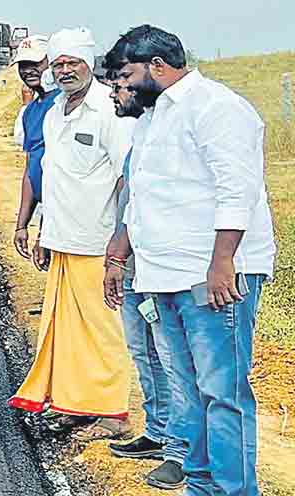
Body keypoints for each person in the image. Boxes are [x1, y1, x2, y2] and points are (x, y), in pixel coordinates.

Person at [113, 25, 274, 496]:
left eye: (127, 75)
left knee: (222, 392)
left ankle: (234, 490)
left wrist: (223, 259)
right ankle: (201, 485)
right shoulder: (152, 117)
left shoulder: (217, 108)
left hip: (212, 274)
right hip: (165, 274)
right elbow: (145, 191)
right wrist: (123, 245)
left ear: (156, 67)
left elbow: (236, 189)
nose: (122, 87)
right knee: (190, 391)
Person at [10, 28, 134, 442]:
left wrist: (120, 242)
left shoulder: (108, 112)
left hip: (98, 242)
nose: (64, 70)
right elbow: (53, 178)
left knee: (101, 328)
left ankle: (113, 412)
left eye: (72, 63)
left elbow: (126, 178)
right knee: (65, 330)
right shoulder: (54, 112)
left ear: (88, 64)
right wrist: (43, 229)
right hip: (63, 237)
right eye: (58, 63)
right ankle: (75, 405)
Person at [98, 53, 188, 490]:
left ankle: (180, 452)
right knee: (143, 351)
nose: (115, 93)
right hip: (134, 264)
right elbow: (128, 198)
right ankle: (157, 431)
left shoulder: (170, 128)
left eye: (121, 84)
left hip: (163, 266)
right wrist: (117, 256)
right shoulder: (141, 132)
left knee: (171, 358)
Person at [11, 35, 60, 260]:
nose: (29, 70)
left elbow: (60, 178)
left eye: (35, 64)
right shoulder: (30, 111)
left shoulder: (63, 105)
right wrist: (21, 225)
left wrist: (45, 233)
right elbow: (31, 169)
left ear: (50, 62)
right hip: (47, 214)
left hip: (66, 220)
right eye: (23, 65)